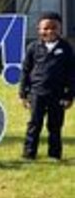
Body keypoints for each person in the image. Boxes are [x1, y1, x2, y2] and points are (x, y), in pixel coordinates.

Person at [19, 12, 75, 160]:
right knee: (34, 124)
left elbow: (71, 74)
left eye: (54, 28)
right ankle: (29, 154)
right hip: (37, 93)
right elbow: (25, 71)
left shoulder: (66, 48)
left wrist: (69, 95)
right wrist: (23, 94)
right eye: (45, 28)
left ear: (60, 29)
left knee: (55, 126)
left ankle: (54, 154)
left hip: (57, 94)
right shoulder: (33, 47)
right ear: (39, 30)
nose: (49, 31)